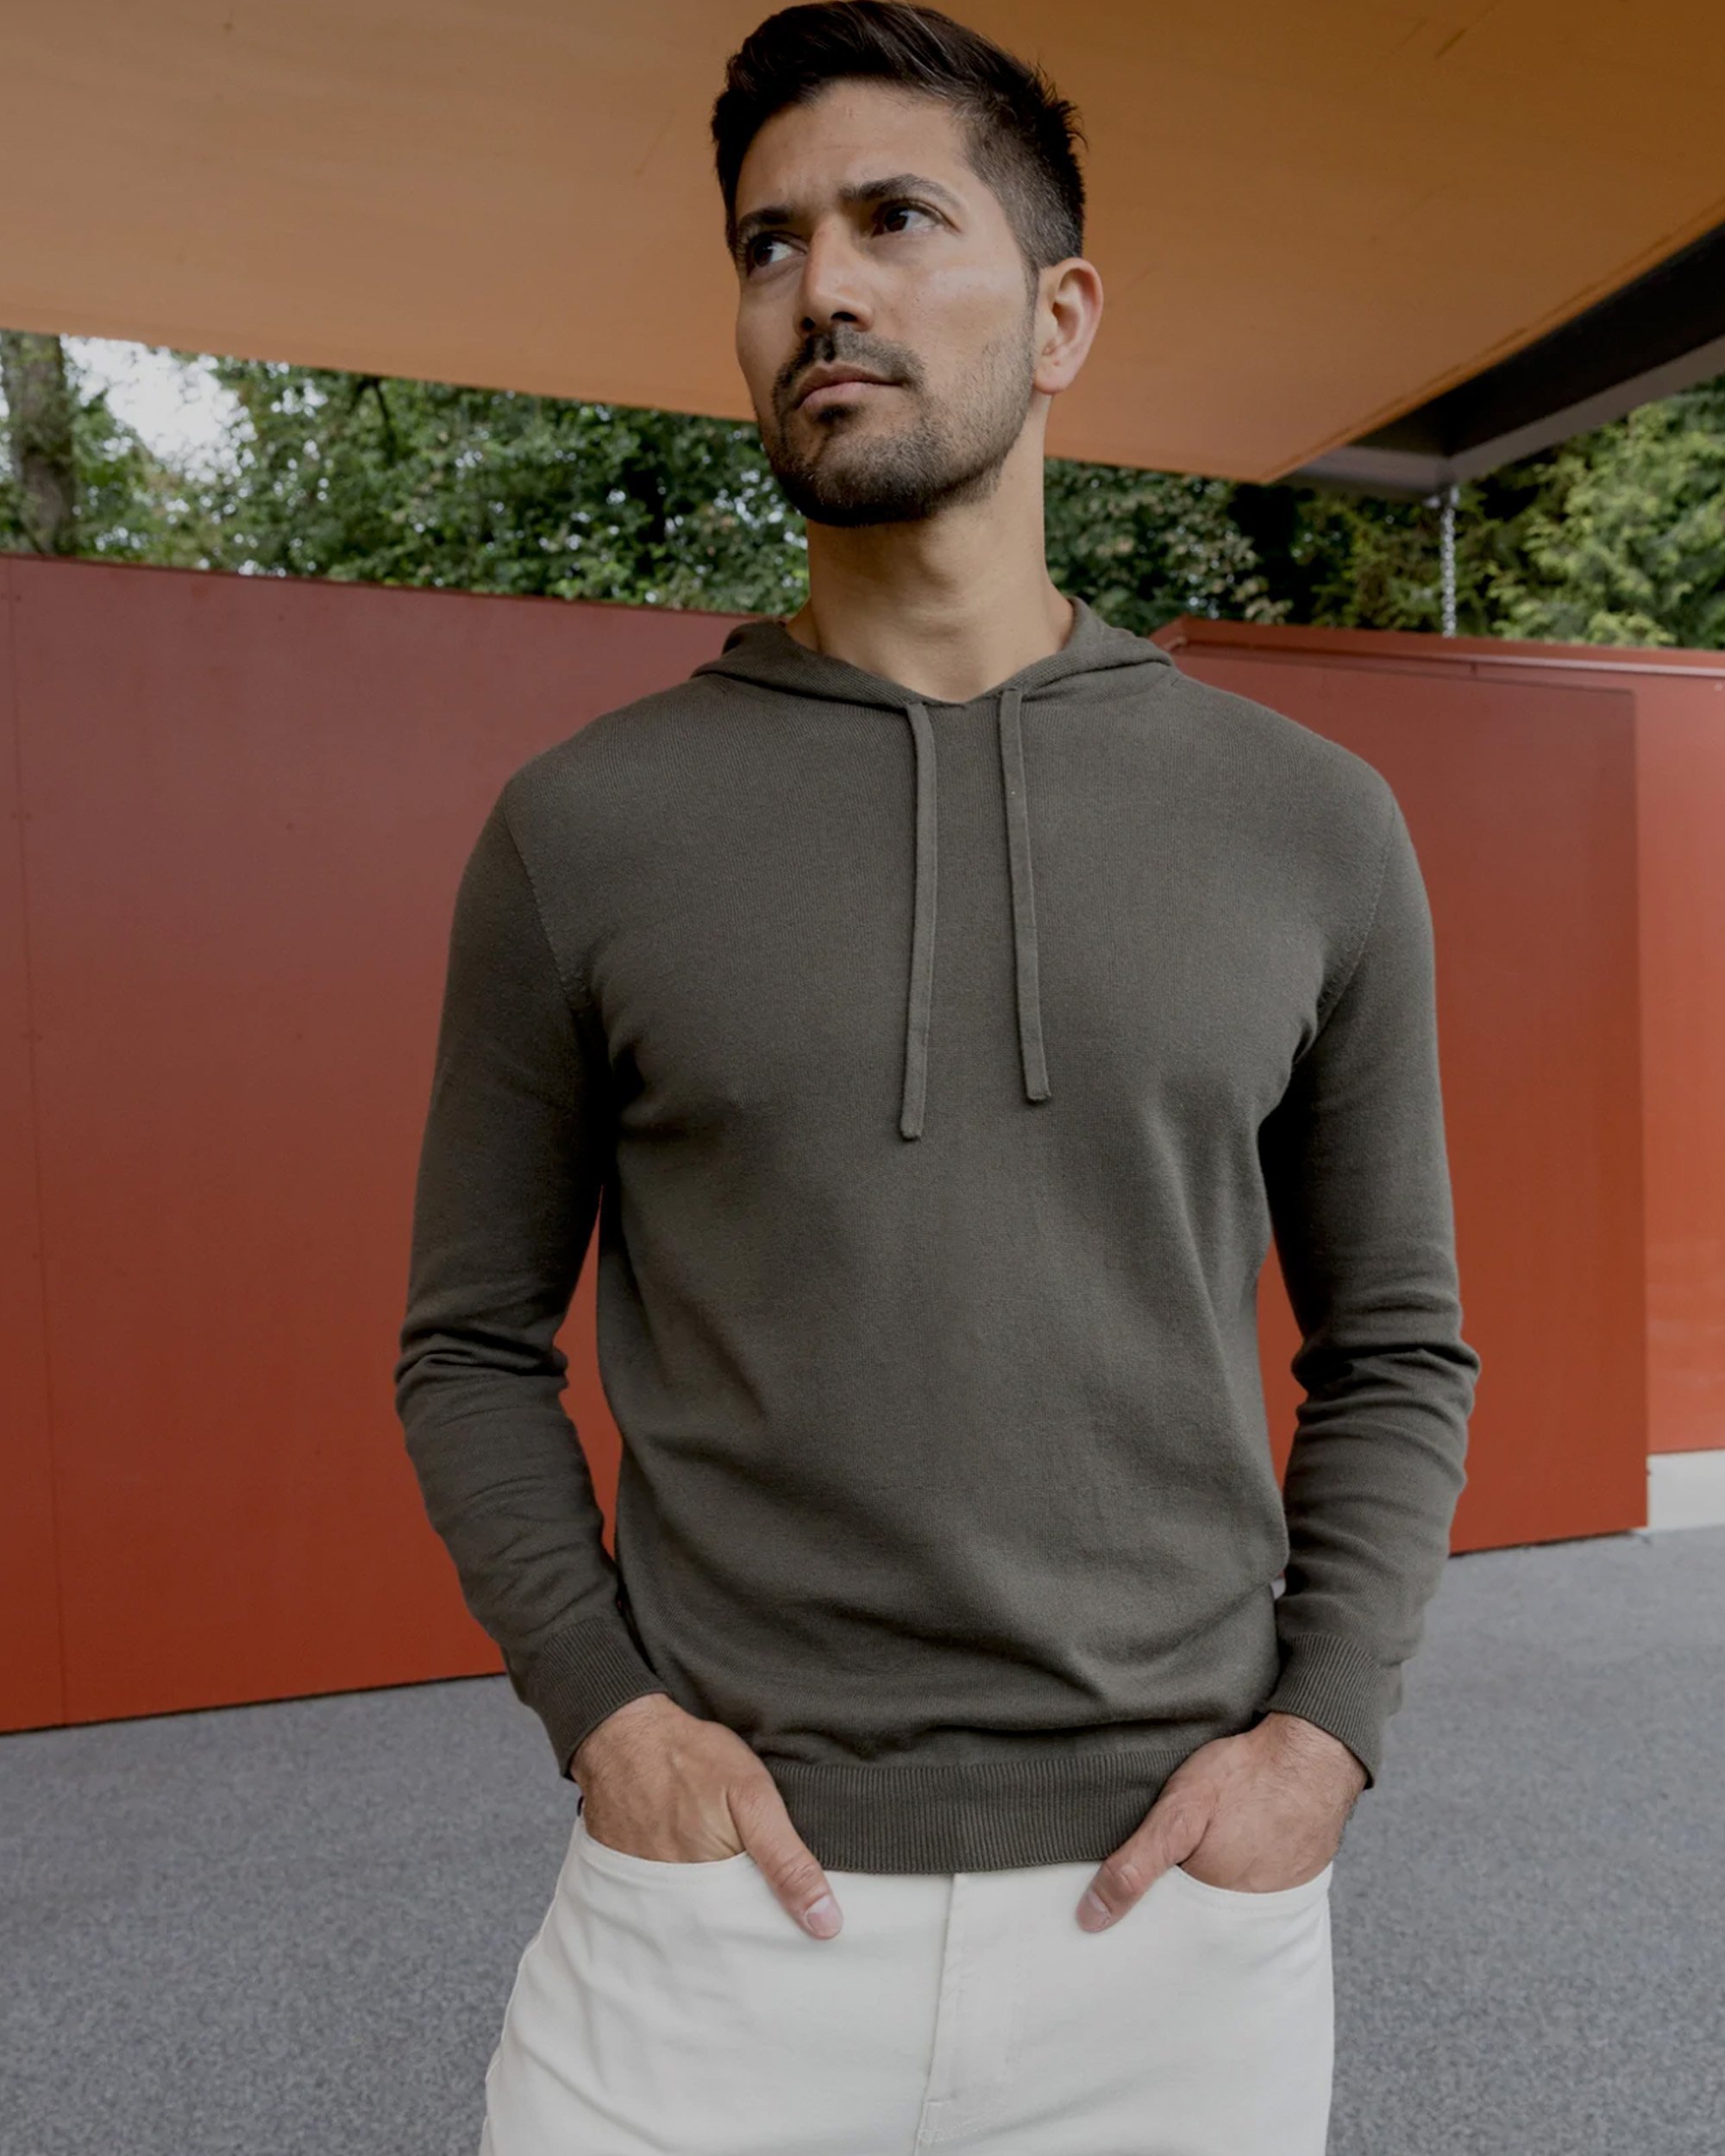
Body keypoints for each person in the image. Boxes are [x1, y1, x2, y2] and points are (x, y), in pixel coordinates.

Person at [393, 3, 1482, 2149]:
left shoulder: (1309, 823)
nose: (823, 286)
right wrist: (606, 1712)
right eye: (769, 241)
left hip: (1170, 1928)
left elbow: (1397, 1344)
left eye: (896, 217)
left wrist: (1320, 1739)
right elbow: (464, 1341)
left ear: (1060, 316)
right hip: (706, 1922)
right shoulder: (581, 829)